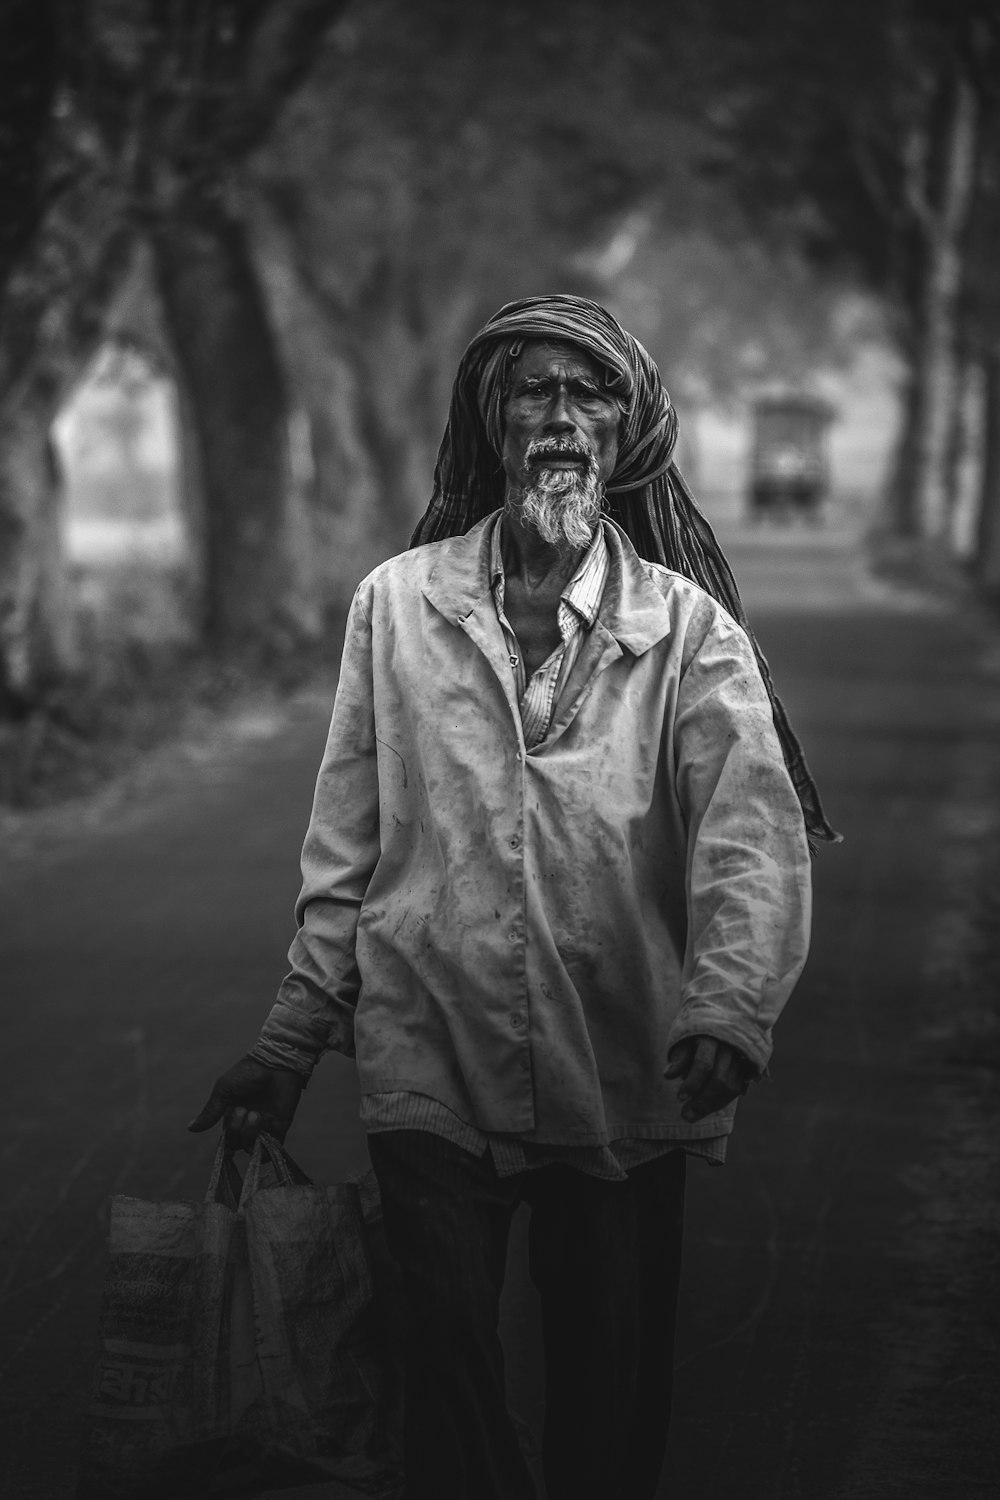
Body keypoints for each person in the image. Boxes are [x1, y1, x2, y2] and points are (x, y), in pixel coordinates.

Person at [189, 295, 836, 1500]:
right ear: (493, 421)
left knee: (609, 1377)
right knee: (444, 1368)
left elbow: (750, 842)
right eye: (533, 391)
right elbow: (346, 847)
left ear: (627, 430)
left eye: (588, 395)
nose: (559, 419)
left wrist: (730, 1008)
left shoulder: (688, 633)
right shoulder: (396, 605)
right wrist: (288, 1044)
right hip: (429, 1049)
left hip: (627, 1062)